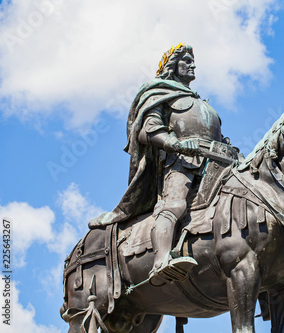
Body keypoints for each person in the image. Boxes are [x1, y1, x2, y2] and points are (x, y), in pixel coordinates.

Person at [89, 43, 234, 283]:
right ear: (172, 66)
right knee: (175, 205)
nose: (192, 65)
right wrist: (175, 143)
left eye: (192, 60)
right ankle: (161, 261)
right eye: (186, 60)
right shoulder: (159, 93)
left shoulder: (201, 102)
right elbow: (147, 131)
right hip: (182, 162)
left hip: (219, 162)